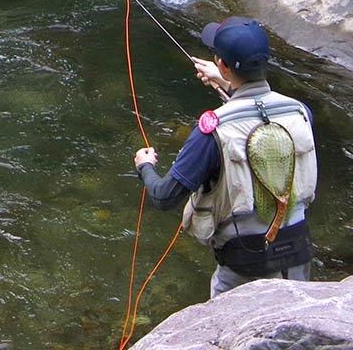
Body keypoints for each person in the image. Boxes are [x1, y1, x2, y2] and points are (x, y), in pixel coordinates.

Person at [132, 16, 317, 297]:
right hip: (299, 254)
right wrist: (229, 85)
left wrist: (145, 167)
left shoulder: (212, 131)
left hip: (244, 266)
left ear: (222, 64)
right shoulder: (300, 112)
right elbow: (262, 126)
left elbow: (164, 197)